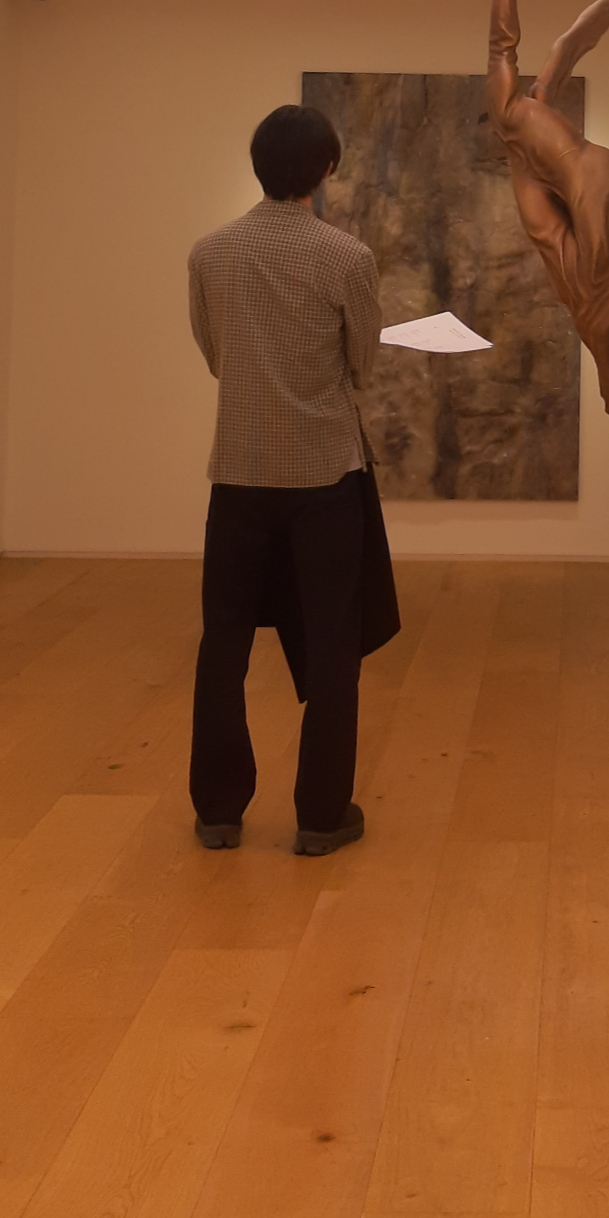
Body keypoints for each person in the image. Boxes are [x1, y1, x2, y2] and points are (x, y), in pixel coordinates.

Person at [186, 103, 383, 856]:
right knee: (332, 647)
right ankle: (321, 816)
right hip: (323, 477)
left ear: (258, 165)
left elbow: (215, 355)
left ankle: (218, 810)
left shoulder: (210, 253)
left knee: (223, 645)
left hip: (238, 475)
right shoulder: (348, 258)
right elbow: (362, 364)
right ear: (326, 169)